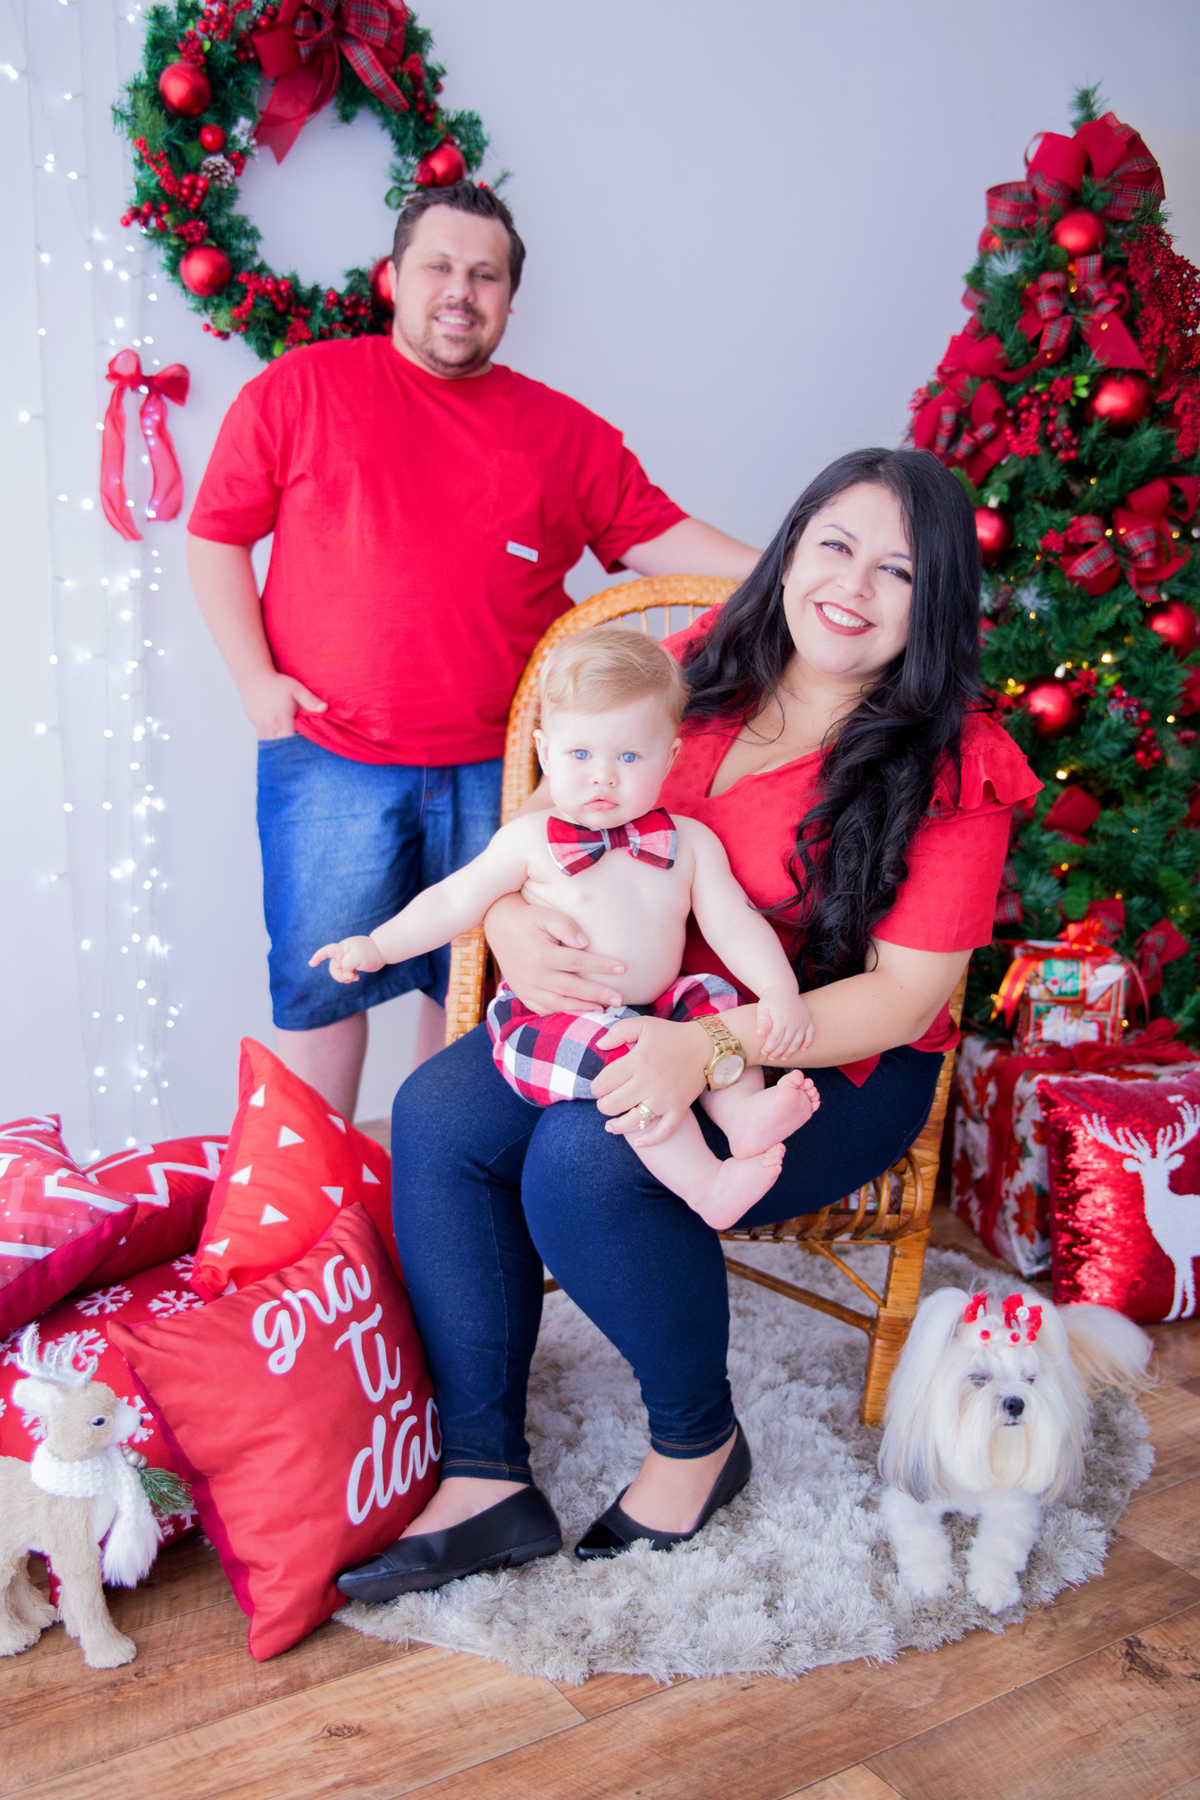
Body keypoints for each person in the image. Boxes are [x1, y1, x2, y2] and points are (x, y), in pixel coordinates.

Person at [335, 447, 1042, 1603]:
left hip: (822, 1056)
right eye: (835, 546)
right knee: (436, 1112)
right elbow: (554, 811)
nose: (853, 587)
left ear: (939, 599)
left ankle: (699, 1443)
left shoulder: (954, 762)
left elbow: (903, 998)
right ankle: (482, 1471)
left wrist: (708, 1049)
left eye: (899, 572)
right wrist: (510, 917)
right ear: (792, 545)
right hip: (628, 1008)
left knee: (589, 1158)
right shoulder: (691, 670)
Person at [186, 181, 757, 1119]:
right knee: (319, 986)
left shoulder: (563, 434)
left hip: (509, 772)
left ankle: (428, 1204)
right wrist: (254, 680)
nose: (461, 290)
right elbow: (215, 536)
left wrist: (790, 570)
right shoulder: (300, 390)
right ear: (394, 279)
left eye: (484, 275)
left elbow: (664, 539)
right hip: (331, 754)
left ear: (508, 301)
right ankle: (304, 1216)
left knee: (472, 995)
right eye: (440, 267)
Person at [310, 626, 820, 1226]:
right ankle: (704, 1184)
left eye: (628, 757)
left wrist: (780, 991)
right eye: (581, 755)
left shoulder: (691, 844)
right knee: (626, 1068)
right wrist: (375, 944)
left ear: (670, 758)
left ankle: (742, 1117)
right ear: (546, 753)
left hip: (657, 1007)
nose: (603, 776)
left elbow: (734, 925)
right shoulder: (526, 842)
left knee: (712, 1000)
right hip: (556, 1021)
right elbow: (452, 902)